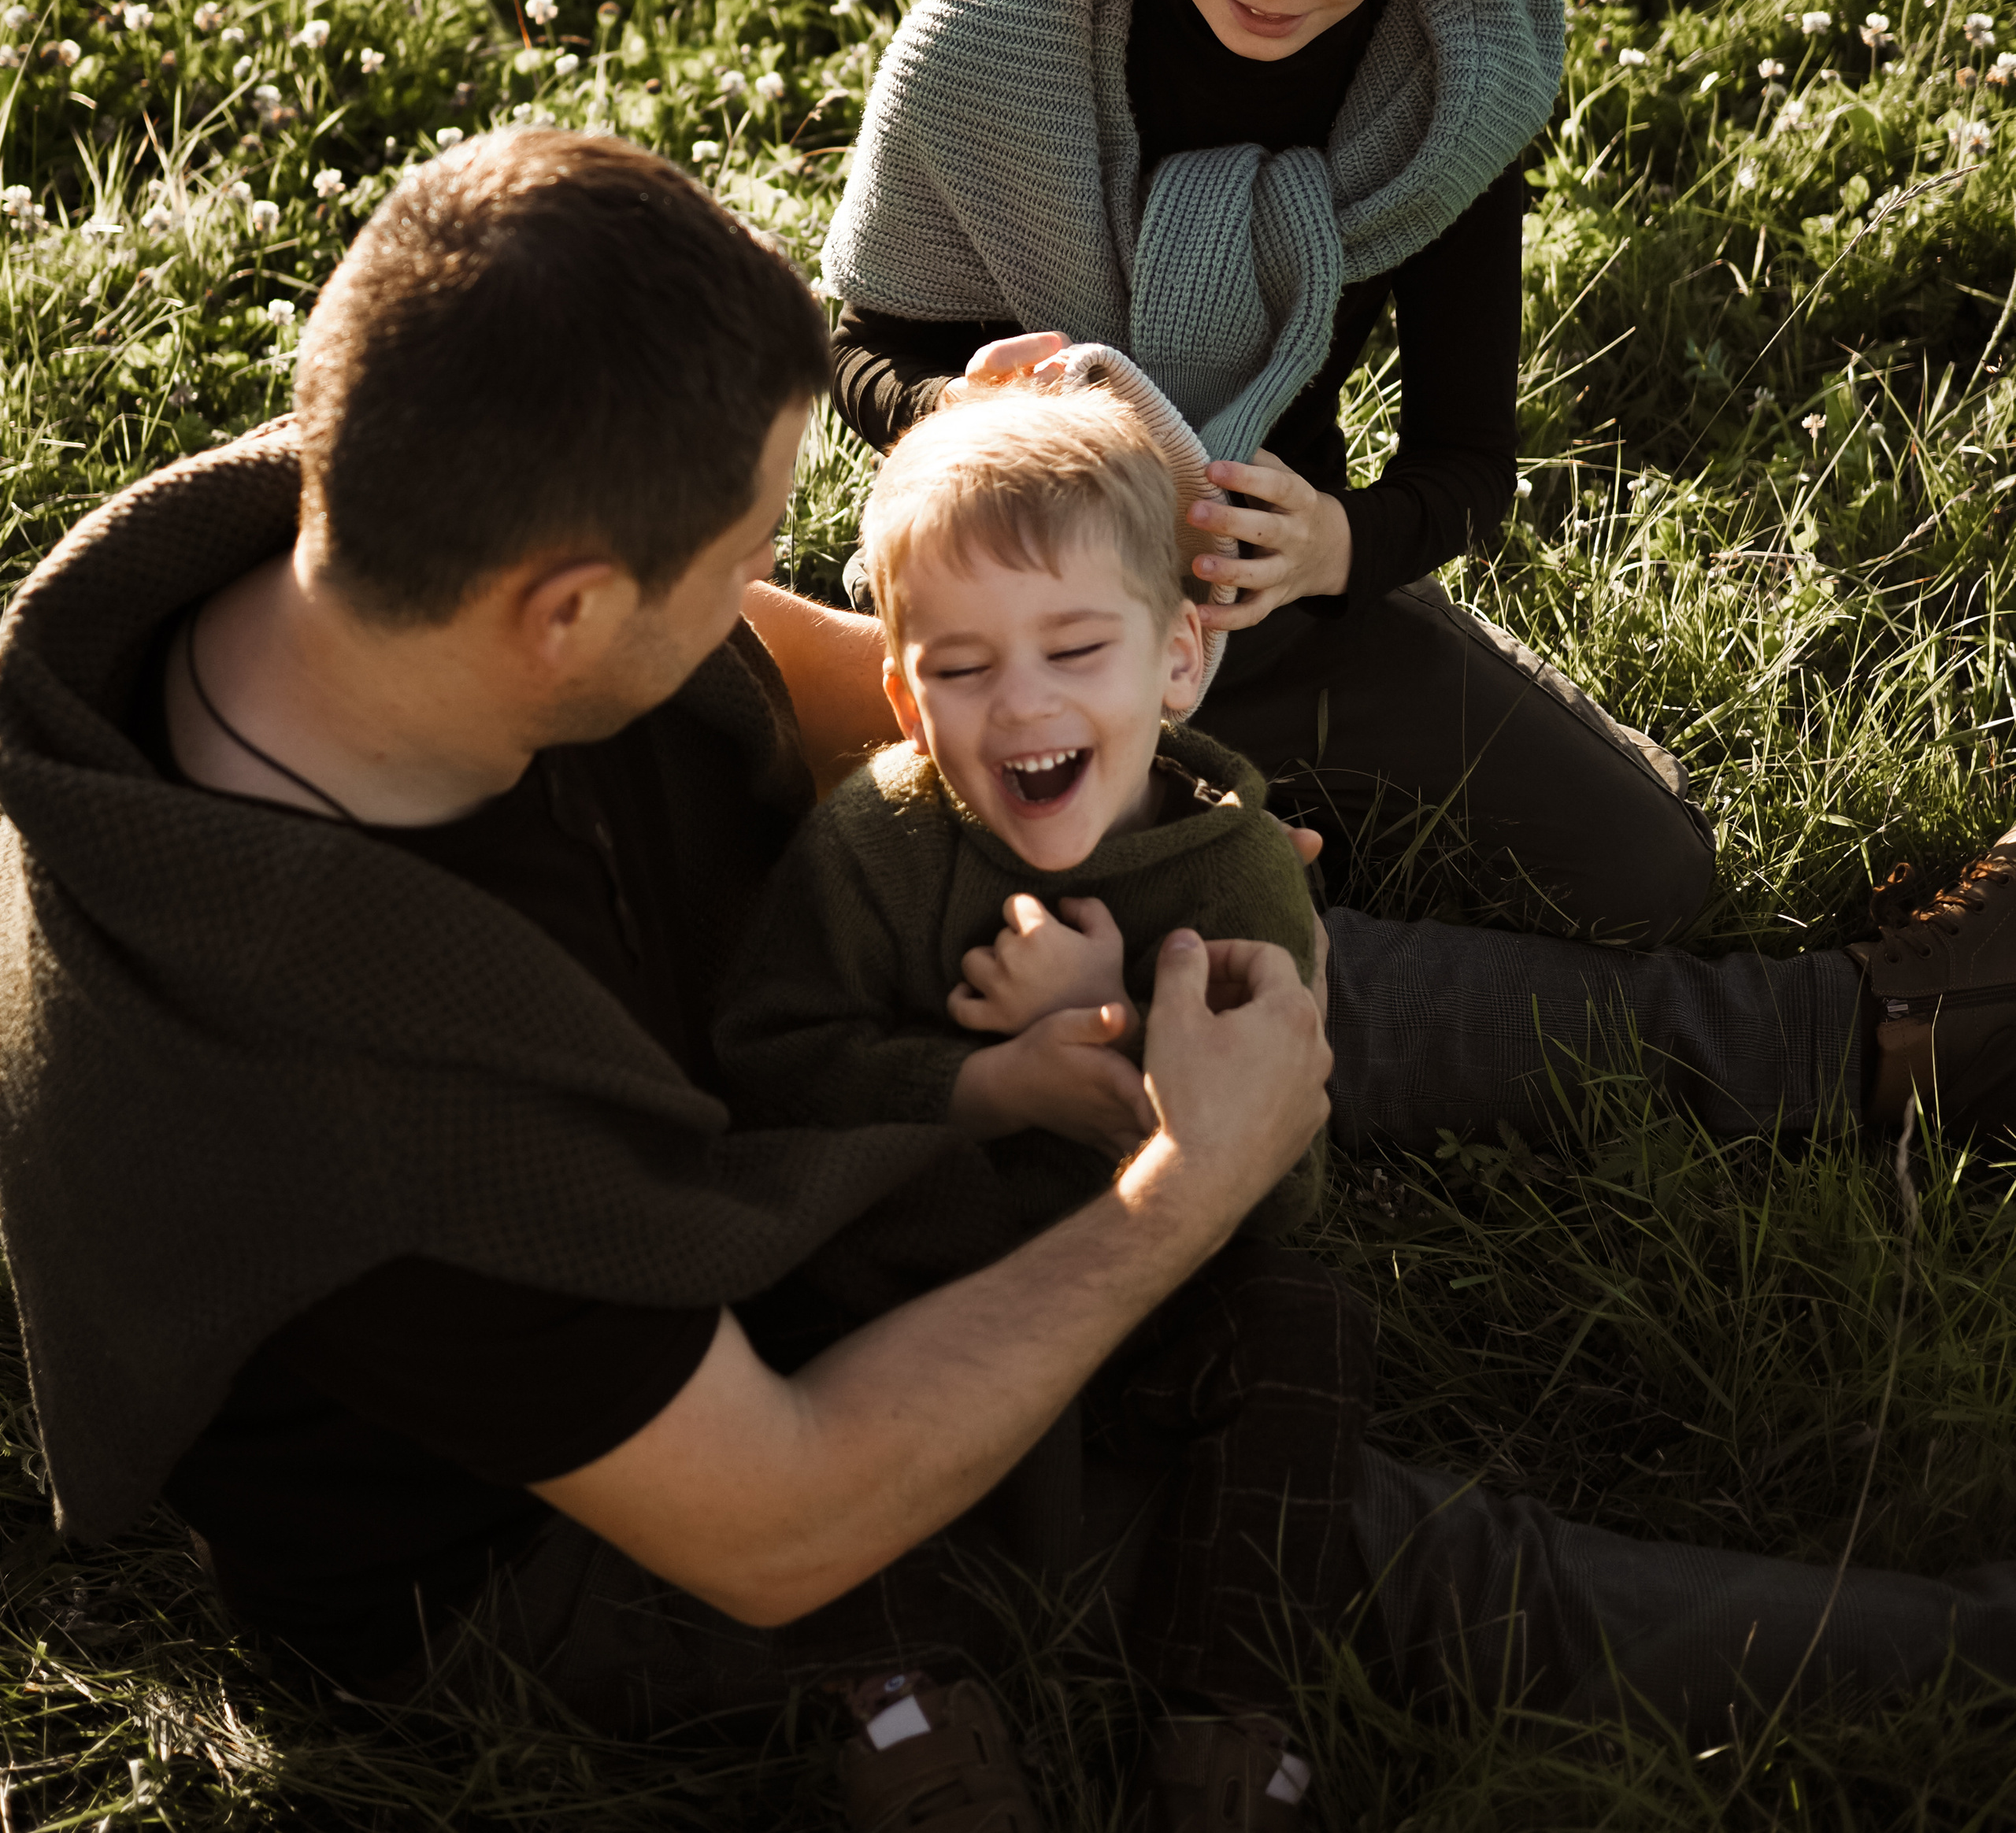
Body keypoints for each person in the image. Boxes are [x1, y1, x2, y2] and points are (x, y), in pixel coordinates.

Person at [4, 132, 2016, 1833]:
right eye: (741, 555)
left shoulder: (390, 530)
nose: (780, 598)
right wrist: (1180, 1196)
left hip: (754, 1047)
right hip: (571, 1535)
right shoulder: (343, 1086)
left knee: (1212, 947)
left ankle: (1871, 1039)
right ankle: (1961, 1660)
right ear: (567, 614)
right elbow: (780, 1509)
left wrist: (1117, 846)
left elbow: (821, 705)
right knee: (1277, 1511)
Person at [821, 0, 1712, 948]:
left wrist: (1335, 544)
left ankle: (1245, 830)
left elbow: (1468, 462)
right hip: (1018, 617)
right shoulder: (996, 35)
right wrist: (959, 411)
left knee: (1653, 874)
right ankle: (1219, 858)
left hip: (1283, 612)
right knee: (897, 907)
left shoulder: (1447, 82)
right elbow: (857, 342)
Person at [715, 384, 1325, 1304]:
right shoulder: (874, 837)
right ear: (907, 707)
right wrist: (992, 1086)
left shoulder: (1234, 871)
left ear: (1178, 656)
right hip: (903, 1305)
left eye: (1076, 649)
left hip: (1157, 1301)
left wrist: (1105, 1021)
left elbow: (1280, 1185)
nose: (1023, 703)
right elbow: (766, 1070)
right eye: (961, 668)